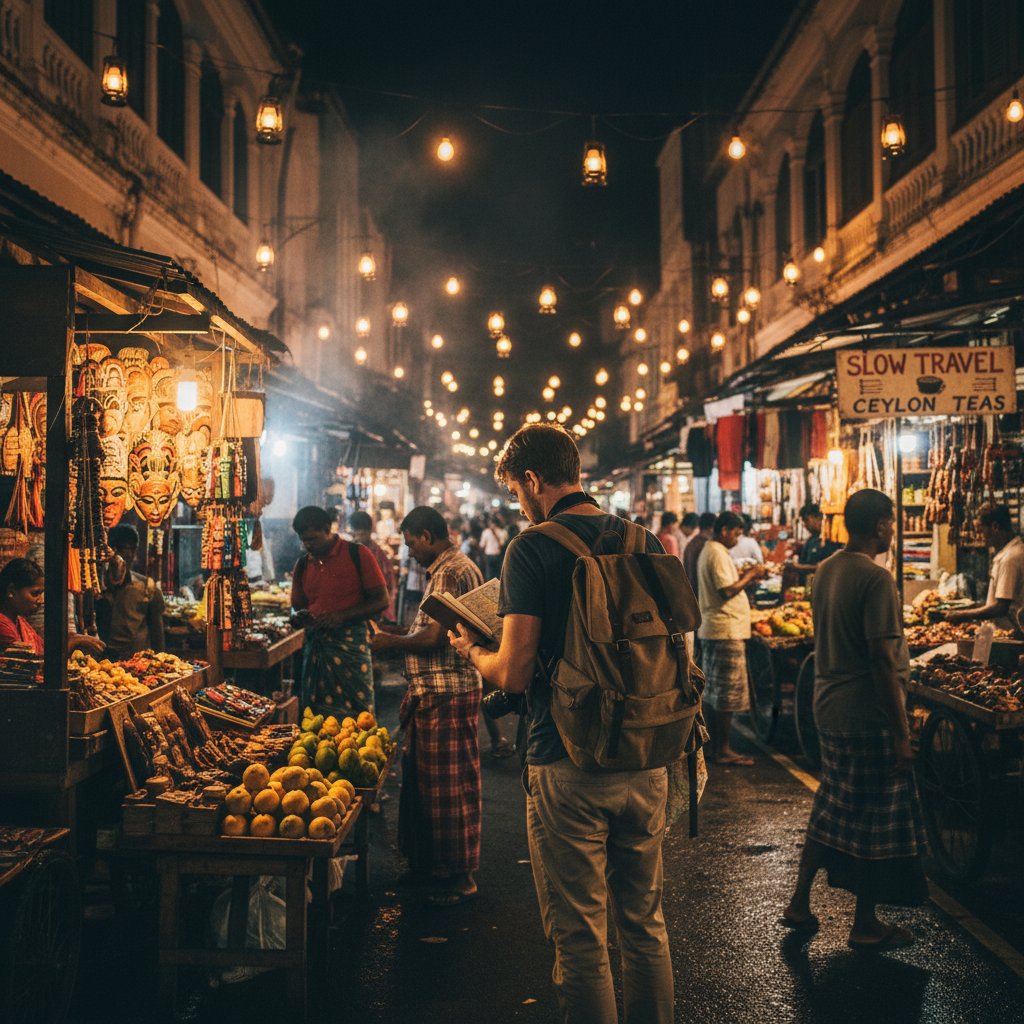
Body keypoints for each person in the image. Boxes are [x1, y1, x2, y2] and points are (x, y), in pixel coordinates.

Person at [449, 423, 674, 1024]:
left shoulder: (533, 547)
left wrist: (474, 651)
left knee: (580, 935)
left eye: (518, 491)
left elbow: (516, 672)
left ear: (532, 480)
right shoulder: (643, 539)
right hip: (648, 751)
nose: (519, 504)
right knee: (645, 924)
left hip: (567, 760)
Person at [782, 488, 925, 948]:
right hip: (867, 713)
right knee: (873, 818)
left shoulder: (825, 570)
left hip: (830, 707)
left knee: (834, 806)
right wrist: (902, 732)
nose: (892, 529)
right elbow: (882, 658)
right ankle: (865, 923)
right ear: (881, 524)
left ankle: (800, 902)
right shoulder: (876, 578)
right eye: (891, 522)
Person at [370, 506, 483, 905]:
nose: (410, 553)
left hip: (447, 691)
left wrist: (391, 642)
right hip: (436, 692)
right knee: (426, 785)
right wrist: (400, 632)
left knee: (449, 789)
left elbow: (437, 637)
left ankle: (460, 875)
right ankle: (433, 867)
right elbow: (430, 628)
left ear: (426, 536)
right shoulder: (445, 570)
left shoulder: (450, 572)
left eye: (410, 544)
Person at [290, 506, 388, 716]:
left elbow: (381, 600)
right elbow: (298, 606)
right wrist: (299, 617)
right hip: (316, 647)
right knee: (314, 717)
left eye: (313, 539)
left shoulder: (357, 553)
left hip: (350, 647)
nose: (308, 546)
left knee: (359, 716)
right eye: (304, 540)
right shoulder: (303, 564)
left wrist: (342, 616)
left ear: (328, 529)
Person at [697, 512, 769, 765]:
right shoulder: (716, 552)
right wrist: (752, 575)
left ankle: (715, 746)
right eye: (737, 534)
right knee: (726, 695)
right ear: (725, 530)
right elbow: (727, 590)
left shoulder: (714, 550)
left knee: (716, 693)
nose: (738, 540)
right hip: (724, 629)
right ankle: (723, 749)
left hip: (720, 628)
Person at [0, 558, 104, 656]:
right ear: (11, 591)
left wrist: (71, 638)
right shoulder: (3, 627)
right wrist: (71, 644)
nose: (41, 601)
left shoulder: (19, 621)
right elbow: (29, 665)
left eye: (41, 594)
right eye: (35, 594)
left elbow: (42, 650)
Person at [943, 505, 1024, 631]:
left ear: (995, 527)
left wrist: (962, 615)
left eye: (981, 531)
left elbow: (1001, 607)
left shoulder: (1010, 559)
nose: (980, 536)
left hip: (1009, 635)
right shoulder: (1015, 551)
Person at [97, 524, 165, 659]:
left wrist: (159, 661)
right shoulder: (98, 586)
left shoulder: (147, 588)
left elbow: (157, 634)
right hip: (103, 662)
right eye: (122, 549)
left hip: (137, 662)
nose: (127, 554)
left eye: (131, 549)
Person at [349, 510, 398, 623]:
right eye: (354, 534)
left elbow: (388, 587)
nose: (356, 538)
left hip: (375, 612)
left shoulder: (378, 555)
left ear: (368, 532)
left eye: (359, 534)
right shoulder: (351, 551)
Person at [793, 502, 841, 568]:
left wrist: (798, 566)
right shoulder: (811, 539)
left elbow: (824, 566)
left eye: (806, 520)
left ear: (818, 518)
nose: (805, 525)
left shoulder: (830, 539)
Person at [682, 511, 716, 596]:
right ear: (711, 528)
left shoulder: (691, 543)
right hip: (702, 594)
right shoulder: (707, 545)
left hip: (691, 592)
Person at [479, 515, 506, 581]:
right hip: (493, 555)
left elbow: (482, 545)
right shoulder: (500, 531)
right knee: (497, 575)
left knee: (491, 575)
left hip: (493, 555)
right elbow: (502, 545)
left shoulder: (497, 532)